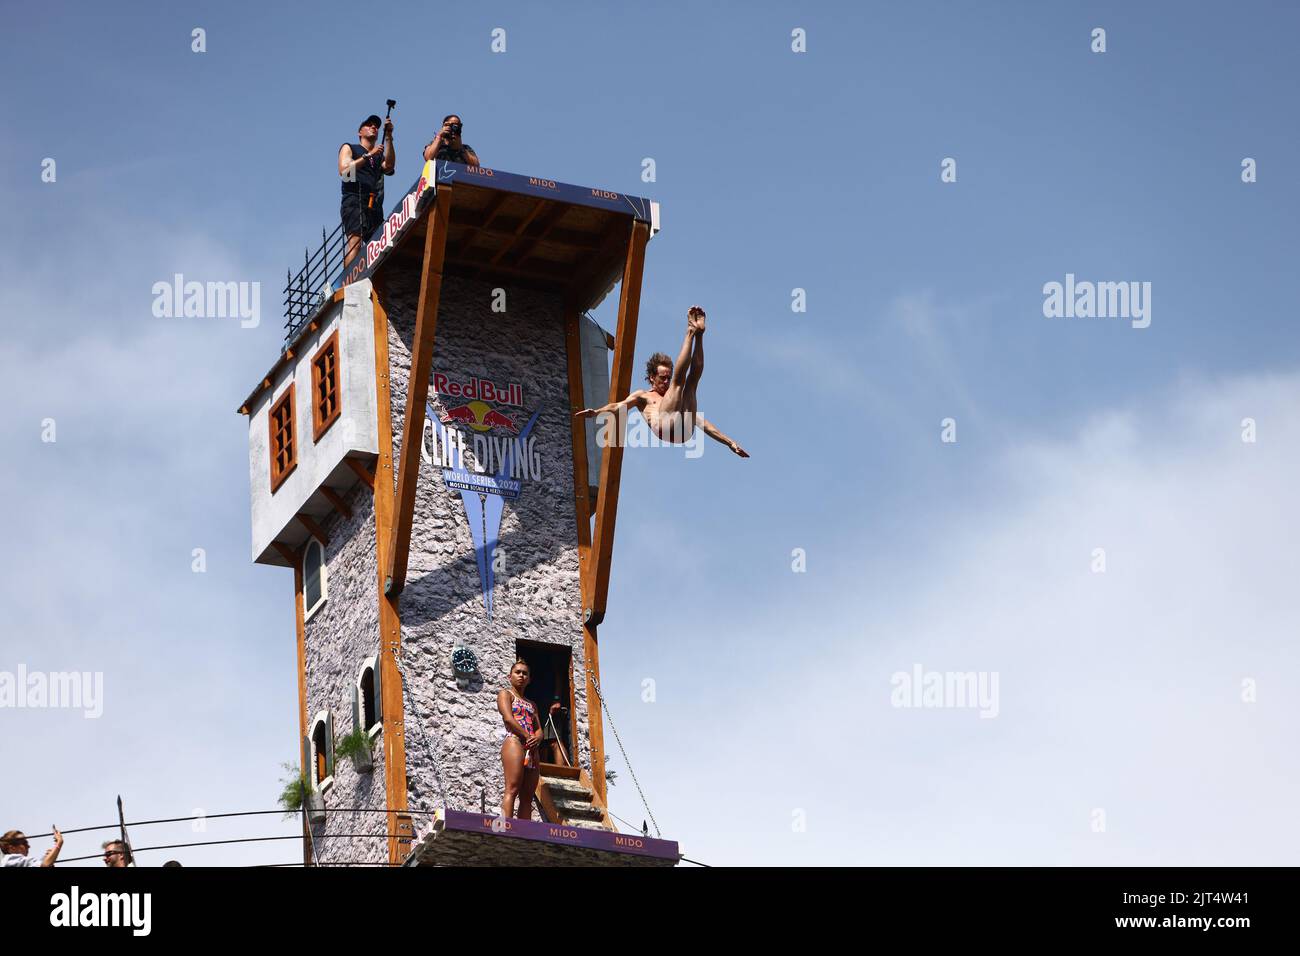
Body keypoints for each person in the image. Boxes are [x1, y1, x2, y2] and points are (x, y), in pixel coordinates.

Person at [575, 306, 749, 456]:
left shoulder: (675, 397)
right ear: (652, 377)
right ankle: (690, 331)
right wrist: (597, 412)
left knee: (692, 382)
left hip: (684, 431)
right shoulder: (642, 396)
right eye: (662, 378)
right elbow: (618, 407)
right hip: (664, 427)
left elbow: (702, 423)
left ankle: (699, 335)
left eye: (668, 377)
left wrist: (729, 442)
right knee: (679, 383)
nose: (666, 381)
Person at [339, 113, 396, 268]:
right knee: (355, 243)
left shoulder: (378, 156)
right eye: (369, 125)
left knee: (379, 245)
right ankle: (346, 283)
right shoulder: (350, 147)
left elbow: (389, 166)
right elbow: (344, 171)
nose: (374, 127)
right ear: (360, 132)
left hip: (373, 205)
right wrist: (368, 155)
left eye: (376, 126)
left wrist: (389, 136)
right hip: (354, 201)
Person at [497, 660, 542, 819]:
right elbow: (508, 718)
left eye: (525, 673)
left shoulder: (532, 704)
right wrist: (527, 735)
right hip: (515, 741)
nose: (521, 676)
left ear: (529, 679)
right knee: (512, 788)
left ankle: (524, 832)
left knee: (527, 794)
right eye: (518, 672)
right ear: (510, 676)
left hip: (532, 748)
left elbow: (538, 728)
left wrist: (536, 739)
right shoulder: (506, 694)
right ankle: (505, 826)